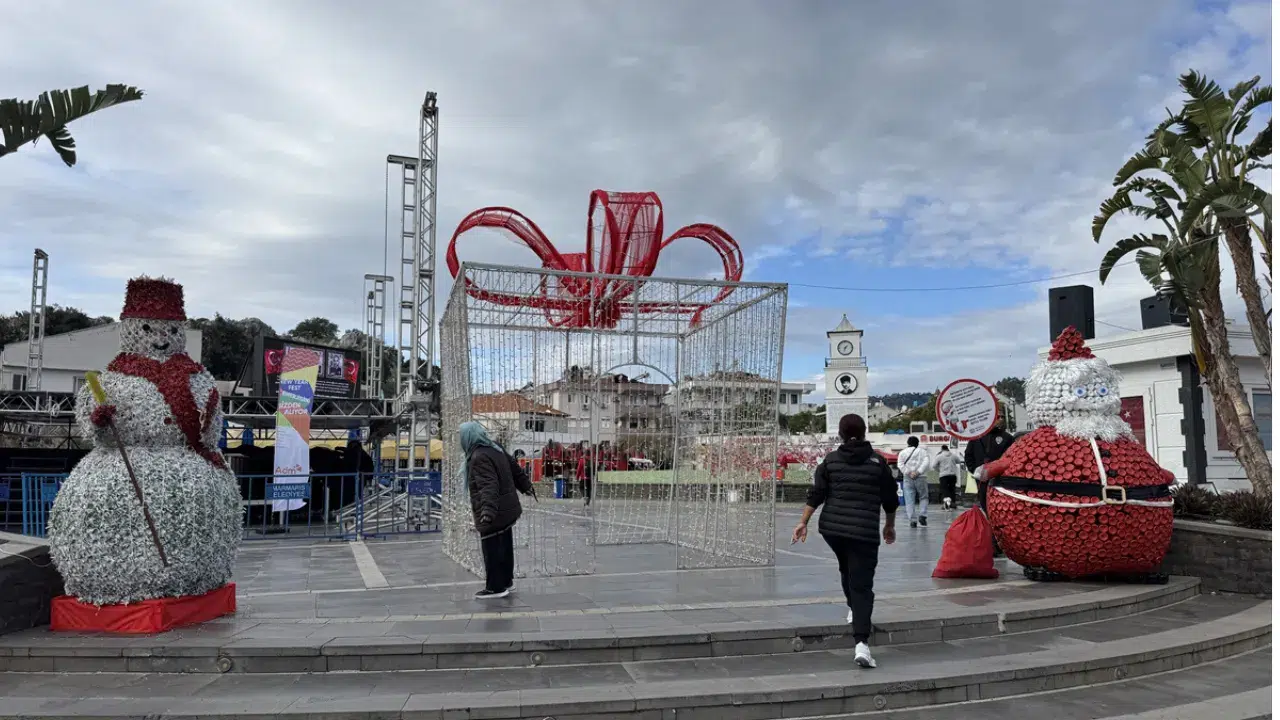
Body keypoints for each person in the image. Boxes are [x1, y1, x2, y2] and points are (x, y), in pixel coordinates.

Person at [791, 414, 898, 669]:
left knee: (846, 568)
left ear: (840, 434)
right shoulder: (878, 463)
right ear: (864, 432)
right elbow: (890, 499)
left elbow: (817, 493)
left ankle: (853, 608)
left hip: (833, 530)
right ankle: (862, 644)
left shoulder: (830, 461)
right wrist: (889, 525)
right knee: (862, 585)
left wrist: (803, 522)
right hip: (863, 531)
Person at [460, 421, 535, 599]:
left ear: (468, 437)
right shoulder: (495, 448)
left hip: (495, 511)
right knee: (505, 546)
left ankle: (495, 587)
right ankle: (506, 581)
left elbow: (488, 486)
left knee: (492, 548)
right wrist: (526, 485)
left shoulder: (479, 456)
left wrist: (487, 512)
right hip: (506, 508)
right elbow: (514, 468)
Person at [963, 423, 1016, 557]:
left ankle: (996, 544)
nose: (999, 420)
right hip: (982, 482)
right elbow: (968, 456)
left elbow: (1012, 458)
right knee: (987, 510)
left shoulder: (1007, 437)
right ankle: (993, 543)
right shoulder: (976, 438)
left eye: (1001, 417)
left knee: (998, 512)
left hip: (1000, 483)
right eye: (997, 417)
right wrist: (976, 471)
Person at [897, 436, 931, 528]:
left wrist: (909, 472)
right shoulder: (923, 452)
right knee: (923, 497)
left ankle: (912, 520)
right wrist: (918, 472)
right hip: (921, 477)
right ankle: (923, 515)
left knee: (909, 499)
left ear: (908, 443)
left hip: (908, 478)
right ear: (917, 443)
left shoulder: (902, 452)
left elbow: (900, 464)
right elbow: (926, 463)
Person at [930, 445, 962, 510]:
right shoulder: (953, 455)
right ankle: (953, 504)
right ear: (947, 449)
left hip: (943, 476)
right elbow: (959, 461)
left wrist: (939, 470)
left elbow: (933, 466)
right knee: (952, 490)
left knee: (945, 490)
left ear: (942, 449)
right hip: (952, 475)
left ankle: (946, 505)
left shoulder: (939, 456)